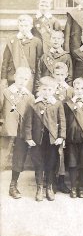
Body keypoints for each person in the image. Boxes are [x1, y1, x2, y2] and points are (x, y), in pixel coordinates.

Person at [24, 76, 66, 201]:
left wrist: (61, 137)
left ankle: (49, 187)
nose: (47, 92)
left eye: (49, 89)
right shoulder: (33, 103)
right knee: (38, 164)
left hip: (52, 140)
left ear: (54, 90)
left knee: (51, 164)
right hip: (38, 140)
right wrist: (28, 137)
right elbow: (28, 122)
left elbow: (62, 121)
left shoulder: (57, 104)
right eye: (44, 89)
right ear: (39, 90)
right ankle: (39, 188)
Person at [1, 68, 34, 199]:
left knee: (19, 158)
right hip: (7, 130)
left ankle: (13, 185)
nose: (22, 81)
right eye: (20, 78)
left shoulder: (29, 96)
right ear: (15, 76)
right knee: (2, 156)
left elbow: (31, 116)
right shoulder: (5, 92)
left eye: (26, 79)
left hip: (22, 131)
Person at [63, 77, 83, 198]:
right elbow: (65, 121)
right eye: (77, 88)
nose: (79, 91)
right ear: (73, 89)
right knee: (72, 164)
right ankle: (73, 187)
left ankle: (81, 187)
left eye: (82, 88)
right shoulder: (68, 104)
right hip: (71, 139)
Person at [1, 15, 43, 93]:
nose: (23, 28)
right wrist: (3, 78)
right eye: (21, 26)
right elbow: (5, 61)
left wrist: (38, 79)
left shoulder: (36, 41)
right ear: (18, 26)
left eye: (26, 26)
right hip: (13, 76)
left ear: (31, 26)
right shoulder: (11, 40)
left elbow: (39, 62)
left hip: (29, 78)